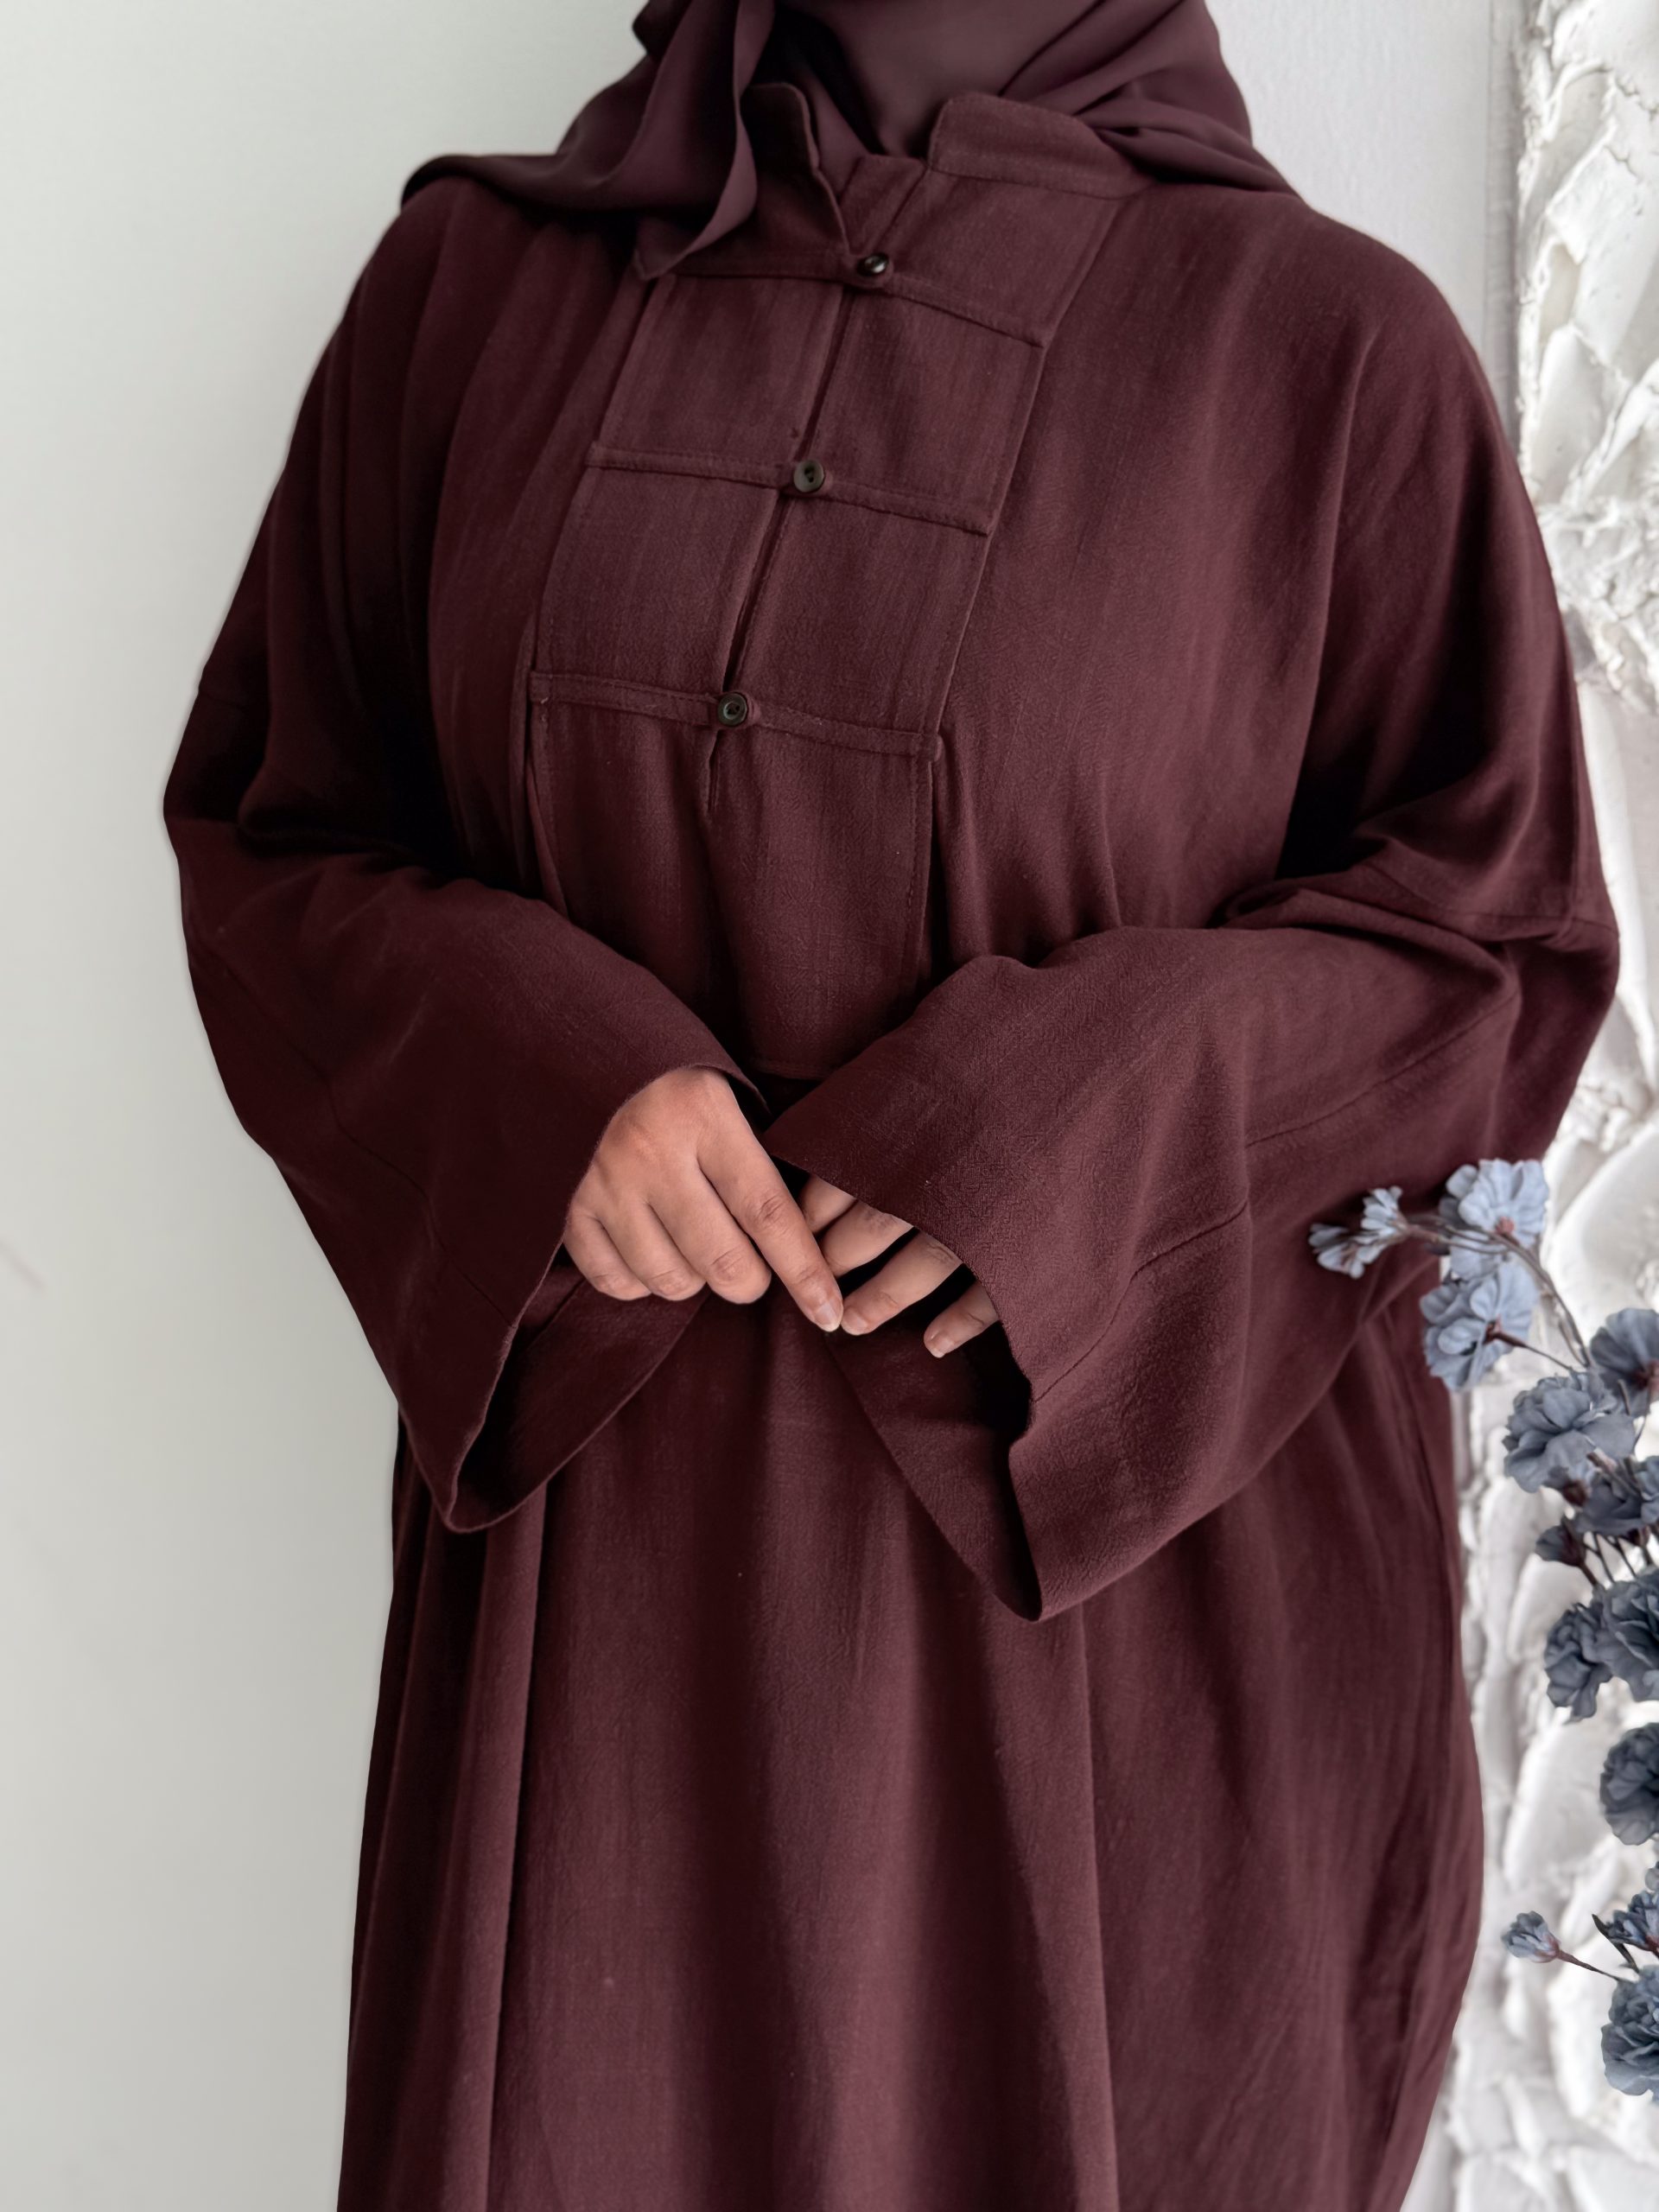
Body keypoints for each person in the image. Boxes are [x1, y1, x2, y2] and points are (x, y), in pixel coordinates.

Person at [162, 2, 1619, 2205]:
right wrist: (551, 1083)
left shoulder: (1324, 351)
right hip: (617, 1611)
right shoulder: (474, 298)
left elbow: (1487, 944)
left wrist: (1063, 1137)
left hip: (1118, 1651)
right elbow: (284, 829)